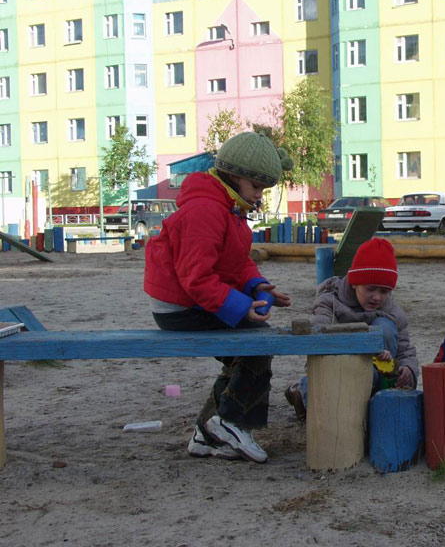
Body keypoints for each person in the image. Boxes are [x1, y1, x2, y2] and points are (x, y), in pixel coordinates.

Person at [143, 131, 294, 463]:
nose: (259, 195)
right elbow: (196, 278)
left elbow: (237, 262)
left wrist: (257, 286)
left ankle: (206, 433)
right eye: (256, 187)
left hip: (190, 299)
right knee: (256, 343)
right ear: (235, 176)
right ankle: (230, 421)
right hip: (180, 305)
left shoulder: (229, 209)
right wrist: (240, 308)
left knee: (246, 349)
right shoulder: (206, 211)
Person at [284, 237, 418, 421]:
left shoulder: (393, 313)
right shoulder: (330, 302)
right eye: (371, 289)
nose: (377, 297)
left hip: (376, 374)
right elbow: (320, 341)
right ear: (354, 282)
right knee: (322, 390)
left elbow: (405, 350)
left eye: (384, 291)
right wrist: (366, 350)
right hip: (337, 371)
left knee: (385, 327)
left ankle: (376, 403)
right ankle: (300, 391)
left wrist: (408, 370)